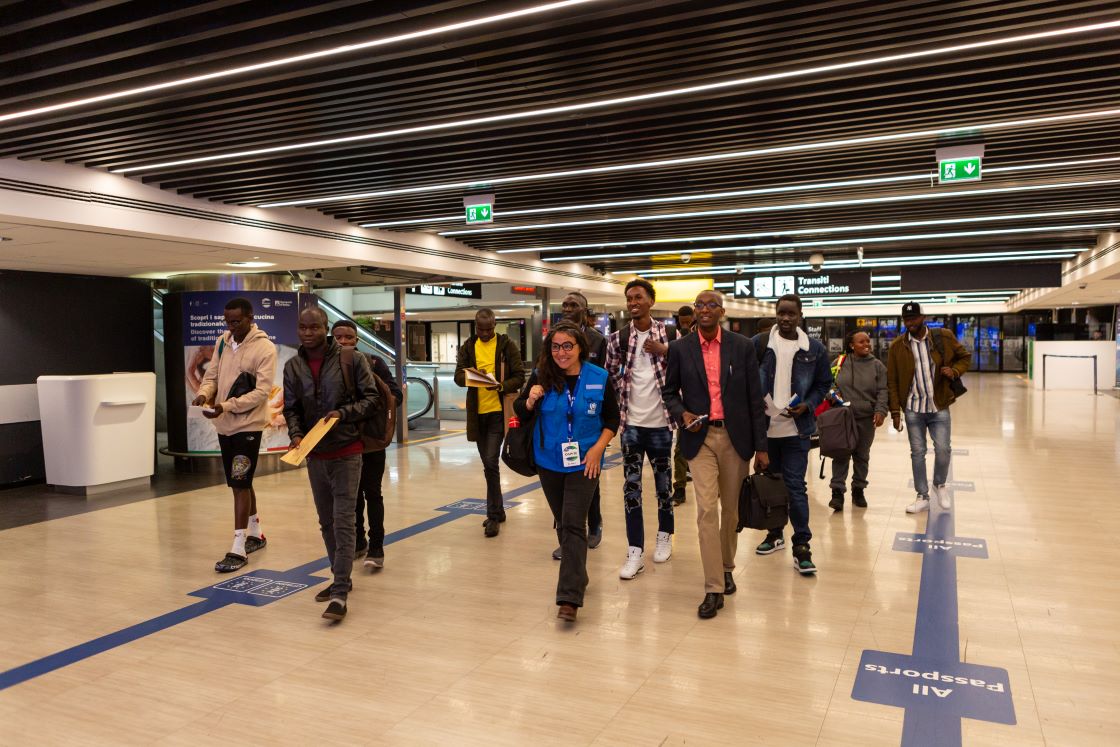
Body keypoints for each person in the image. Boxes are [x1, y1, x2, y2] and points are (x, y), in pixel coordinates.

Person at [662, 290, 768, 619]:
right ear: (694, 312)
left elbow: (754, 398)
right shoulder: (681, 348)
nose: (704, 310)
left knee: (731, 511)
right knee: (707, 510)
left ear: (721, 311)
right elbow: (669, 391)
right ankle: (713, 587)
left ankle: (726, 567)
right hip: (700, 438)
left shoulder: (742, 346)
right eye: (699, 305)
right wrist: (683, 414)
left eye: (711, 305)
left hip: (736, 438)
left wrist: (762, 447)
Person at [514, 321, 618, 622]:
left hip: (586, 461)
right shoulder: (541, 376)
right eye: (556, 346)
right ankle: (578, 574)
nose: (561, 352)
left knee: (574, 523)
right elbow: (520, 411)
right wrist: (531, 399)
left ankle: (569, 597)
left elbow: (612, 418)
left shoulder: (599, 376)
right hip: (549, 461)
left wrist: (599, 448)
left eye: (567, 346)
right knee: (562, 522)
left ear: (580, 348)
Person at [284, 307, 381, 621]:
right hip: (314, 455)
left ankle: (339, 591)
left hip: (347, 450)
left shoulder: (351, 360)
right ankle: (341, 577)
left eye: (314, 327)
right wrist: (297, 434)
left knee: (343, 521)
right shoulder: (293, 365)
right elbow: (291, 408)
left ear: (324, 327)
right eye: (303, 327)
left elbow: (371, 398)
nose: (308, 332)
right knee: (326, 522)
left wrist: (343, 414)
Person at [193, 297, 278, 574]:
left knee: (240, 483)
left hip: (249, 427)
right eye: (228, 321)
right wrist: (204, 394)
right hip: (224, 426)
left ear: (251, 317)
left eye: (237, 321)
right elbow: (212, 376)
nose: (232, 326)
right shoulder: (222, 341)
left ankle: (238, 547)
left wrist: (226, 406)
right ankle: (257, 533)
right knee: (240, 480)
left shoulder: (265, 348)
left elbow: (261, 392)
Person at [752, 294, 832, 575]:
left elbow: (824, 383)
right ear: (776, 314)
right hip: (766, 429)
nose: (786, 319)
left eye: (791, 314)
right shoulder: (760, 345)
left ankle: (802, 546)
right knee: (772, 485)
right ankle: (775, 534)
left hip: (797, 430)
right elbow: (747, 381)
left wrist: (808, 405)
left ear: (800, 316)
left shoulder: (814, 349)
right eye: (781, 313)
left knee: (795, 487)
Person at [605, 279, 678, 579]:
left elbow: (686, 367)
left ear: (650, 300)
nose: (633, 302)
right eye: (629, 298)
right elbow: (609, 376)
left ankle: (665, 536)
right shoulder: (618, 338)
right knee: (631, 489)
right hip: (631, 426)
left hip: (661, 425)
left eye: (638, 297)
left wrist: (665, 350)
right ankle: (635, 549)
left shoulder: (670, 334)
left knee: (664, 488)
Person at [330, 320, 404, 569]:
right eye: (338, 337)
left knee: (372, 492)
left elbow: (396, 395)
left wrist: (373, 400)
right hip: (343, 440)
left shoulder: (373, 363)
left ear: (356, 340)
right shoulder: (328, 366)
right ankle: (358, 541)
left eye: (348, 337)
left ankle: (376, 547)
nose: (343, 342)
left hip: (371, 441)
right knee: (351, 496)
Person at [886, 302, 971, 514]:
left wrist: (955, 371)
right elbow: (892, 381)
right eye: (906, 319)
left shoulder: (942, 336)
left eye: (913, 318)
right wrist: (895, 412)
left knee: (943, 449)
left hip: (938, 404)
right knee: (917, 453)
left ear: (923, 317)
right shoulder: (897, 346)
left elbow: (965, 357)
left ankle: (939, 484)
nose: (910, 323)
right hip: (913, 408)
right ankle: (922, 495)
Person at [453, 308, 525, 538]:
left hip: (497, 412)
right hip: (477, 415)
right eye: (480, 329)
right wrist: (474, 377)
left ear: (495, 325)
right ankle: (499, 509)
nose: (485, 333)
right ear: (475, 327)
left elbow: (519, 376)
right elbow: (458, 376)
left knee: (491, 462)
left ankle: (493, 516)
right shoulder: (468, 346)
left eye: (489, 329)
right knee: (488, 464)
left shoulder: (506, 346)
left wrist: (501, 386)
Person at [548, 292, 608, 560]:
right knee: (561, 488)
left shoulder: (598, 340)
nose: (568, 309)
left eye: (574, 305)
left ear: (585, 311)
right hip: (560, 426)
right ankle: (569, 536)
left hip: (587, 425)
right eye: (565, 305)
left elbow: (605, 382)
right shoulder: (554, 339)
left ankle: (593, 524)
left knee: (587, 482)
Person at [827, 331, 888, 511]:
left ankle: (858, 490)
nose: (866, 344)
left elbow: (883, 391)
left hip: (866, 418)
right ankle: (837, 493)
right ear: (852, 345)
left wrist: (881, 410)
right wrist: (833, 395)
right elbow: (828, 384)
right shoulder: (839, 363)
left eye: (868, 341)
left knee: (862, 456)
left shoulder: (878, 366)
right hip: (842, 417)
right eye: (861, 342)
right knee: (841, 454)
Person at [671, 305, 695, 505]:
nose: (684, 324)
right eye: (682, 321)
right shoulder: (678, 339)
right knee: (680, 448)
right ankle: (679, 487)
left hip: (706, 403)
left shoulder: (699, 335)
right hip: (685, 403)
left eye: (687, 320)